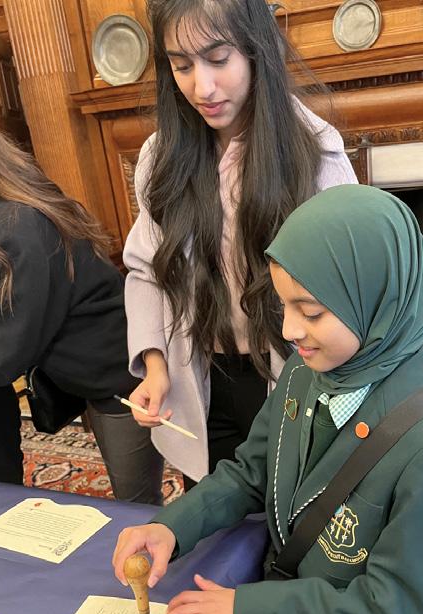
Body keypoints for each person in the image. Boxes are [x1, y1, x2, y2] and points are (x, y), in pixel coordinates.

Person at [113, 185, 423, 614]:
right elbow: (251, 471)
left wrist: (244, 610)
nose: (289, 330)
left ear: (375, 304)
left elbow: (394, 606)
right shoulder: (303, 373)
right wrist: (173, 525)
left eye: (310, 311)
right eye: (284, 305)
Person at [124, 0, 357, 487]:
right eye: (182, 66)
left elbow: (352, 289)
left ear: (256, 49)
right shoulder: (160, 156)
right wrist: (155, 366)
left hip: (291, 377)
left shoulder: (314, 153)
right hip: (200, 377)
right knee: (210, 505)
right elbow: (146, 271)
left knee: (286, 511)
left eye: (218, 59)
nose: (202, 88)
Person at [0, 123, 164, 505]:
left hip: (120, 376)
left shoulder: (18, 224)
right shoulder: (10, 207)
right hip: (83, 374)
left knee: (135, 506)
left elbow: (4, 353)